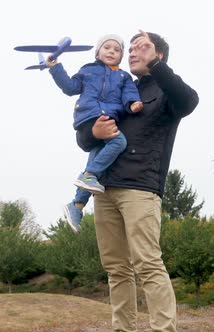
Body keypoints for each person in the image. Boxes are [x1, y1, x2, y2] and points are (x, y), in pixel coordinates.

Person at [76, 30, 199, 332]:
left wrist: (156, 65)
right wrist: (94, 133)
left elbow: (189, 100)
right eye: (129, 49)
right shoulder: (120, 87)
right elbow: (84, 138)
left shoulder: (167, 91)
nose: (131, 52)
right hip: (103, 189)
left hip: (140, 189)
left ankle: (163, 328)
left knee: (148, 263)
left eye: (141, 48)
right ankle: (123, 328)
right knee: (116, 269)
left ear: (158, 55)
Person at [45, 34, 143, 233]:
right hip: (89, 116)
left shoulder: (124, 77)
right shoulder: (88, 70)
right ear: (98, 52)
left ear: (121, 56)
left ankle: (77, 205)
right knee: (119, 143)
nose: (111, 52)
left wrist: (133, 103)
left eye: (117, 50)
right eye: (107, 47)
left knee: (97, 159)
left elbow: (129, 93)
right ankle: (89, 175)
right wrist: (55, 67)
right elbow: (70, 87)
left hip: (109, 118)